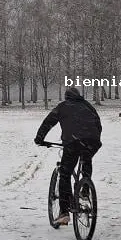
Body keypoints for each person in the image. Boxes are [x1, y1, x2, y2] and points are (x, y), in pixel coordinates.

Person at [35, 87, 102, 226]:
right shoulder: (87, 106)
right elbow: (98, 125)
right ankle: (85, 187)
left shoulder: (63, 106)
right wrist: (91, 139)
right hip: (92, 141)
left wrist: (39, 138)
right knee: (86, 158)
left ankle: (64, 212)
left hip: (73, 142)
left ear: (67, 97)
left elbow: (48, 122)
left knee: (65, 173)